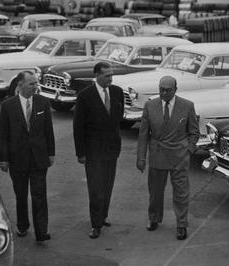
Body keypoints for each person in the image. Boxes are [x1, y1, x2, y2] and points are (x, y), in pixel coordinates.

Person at [136, 75, 199, 240]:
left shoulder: (187, 106)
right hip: (158, 154)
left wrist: (189, 150)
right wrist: (141, 158)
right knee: (155, 192)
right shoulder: (150, 106)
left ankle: (181, 224)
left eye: (167, 90)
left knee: (181, 192)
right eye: (161, 89)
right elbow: (143, 134)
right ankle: (154, 218)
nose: (164, 93)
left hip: (179, 155)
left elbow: (194, 132)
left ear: (175, 90)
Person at [0, 71, 55, 242]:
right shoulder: (8, 106)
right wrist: (3, 158)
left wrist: (51, 153)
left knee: (39, 195)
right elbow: (3, 134)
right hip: (17, 159)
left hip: (39, 157)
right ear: (20, 85)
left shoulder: (43, 102)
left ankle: (41, 232)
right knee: (21, 195)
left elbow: (48, 131)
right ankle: (22, 226)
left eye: (36, 83)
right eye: (31, 84)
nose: (35, 87)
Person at [73, 61, 124, 239]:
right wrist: (81, 153)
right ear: (97, 76)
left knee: (108, 186)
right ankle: (95, 224)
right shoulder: (85, 96)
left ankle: (103, 216)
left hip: (111, 149)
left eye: (111, 75)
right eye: (107, 75)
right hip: (93, 151)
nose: (111, 78)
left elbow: (118, 118)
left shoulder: (117, 92)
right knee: (95, 188)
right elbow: (78, 126)